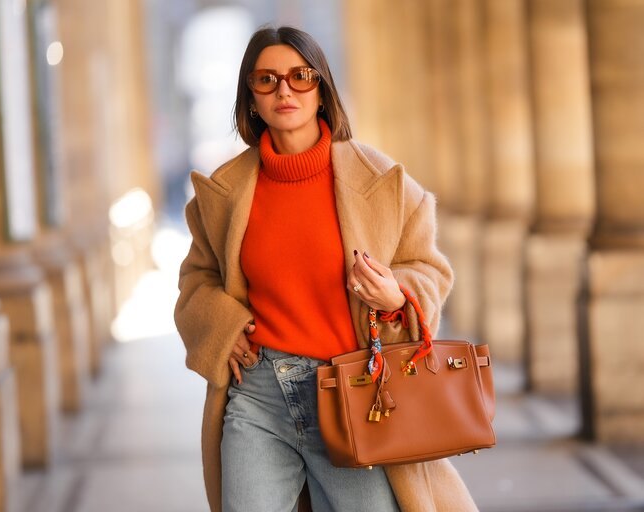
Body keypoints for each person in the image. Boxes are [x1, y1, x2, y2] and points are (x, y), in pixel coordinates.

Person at [174, 25, 478, 512]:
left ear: (322, 90)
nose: (285, 90)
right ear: (250, 98)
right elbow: (196, 280)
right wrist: (219, 325)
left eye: (300, 75)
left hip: (354, 396)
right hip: (259, 398)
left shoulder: (382, 181)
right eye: (266, 80)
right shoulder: (224, 194)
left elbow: (429, 267)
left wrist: (398, 296)